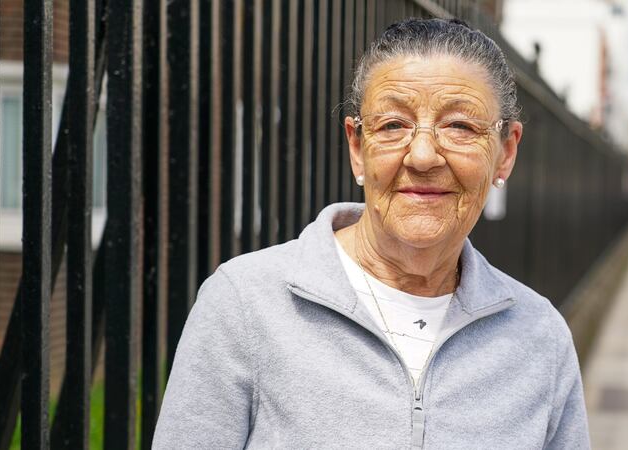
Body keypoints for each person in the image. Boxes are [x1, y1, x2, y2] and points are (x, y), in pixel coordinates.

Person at [153, 18, 590, 449]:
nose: (422, 156)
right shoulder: (245, 304)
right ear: (357, 148)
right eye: (393, 125)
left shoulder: (540, 336)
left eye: (460, 126)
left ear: (506, 152)